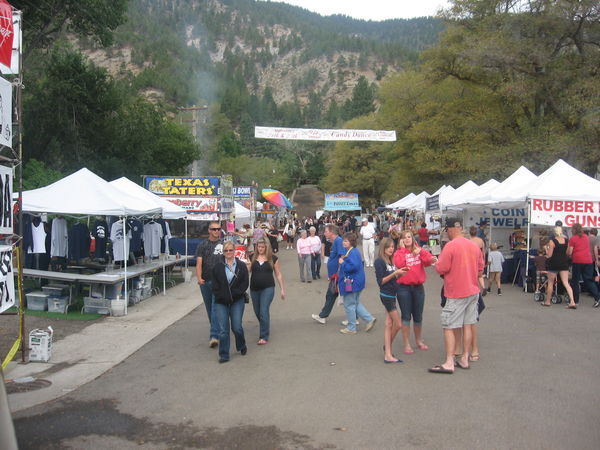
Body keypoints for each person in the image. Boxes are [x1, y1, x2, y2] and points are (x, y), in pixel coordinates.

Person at [429, 219, 484, 374]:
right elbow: (480, 270)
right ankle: (465, 357)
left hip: (456, 292)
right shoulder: (474, 246)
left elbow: (441, 268)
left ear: (451, 229)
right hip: (473, 291)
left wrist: (436, 262)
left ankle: (449, 361)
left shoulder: (450, 246)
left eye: (446, 230)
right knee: (468, 324)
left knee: (448, 326)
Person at [393, 230, 436, 354]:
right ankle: (407, 343)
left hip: (418, 287)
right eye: (404, 237)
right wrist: (402, 249)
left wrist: (420, 252)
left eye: (409, 237)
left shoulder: (418, 250)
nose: (407, 239)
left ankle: (418, 341)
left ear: (412, 238)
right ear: (401, 240)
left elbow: (429, 261)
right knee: (406, 316)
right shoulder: (398, 252)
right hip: (403, 288)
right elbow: (400, 264)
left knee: (418, 316)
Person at [211, 241, 249, 363]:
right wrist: (221, 295)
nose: (228, 252)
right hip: (221, 302)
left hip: (237, 300)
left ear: (234, 251)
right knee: (223, 330)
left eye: (230, 250)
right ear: (223, 252)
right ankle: (224, 355)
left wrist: (235, 294)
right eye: (226, 250)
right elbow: (214, 285)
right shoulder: (217, 267)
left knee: (237, 327)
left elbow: (245, 283)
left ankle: (241, 344)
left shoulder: (241, 266)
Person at [375, 238, 409, 363]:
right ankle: (387, 348)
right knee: (398, 324)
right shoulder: (379, 261)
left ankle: (388, 353)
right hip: (386, 295)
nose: (391, 249)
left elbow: (392, 278)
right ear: (383, 248)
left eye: (392, 247)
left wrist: (399, 273)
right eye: (388, 247)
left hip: (392, 294)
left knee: (389, 324)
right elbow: (381, 281)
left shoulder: (391, 260)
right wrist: (395, 273)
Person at [248, 237, 285, 345]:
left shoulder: (273, 258)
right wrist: (246, 264)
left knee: (263, 310)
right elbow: (247, 271)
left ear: (266, 247)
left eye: (262, 247)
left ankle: (263, 336)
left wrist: (282, 289)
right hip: (254, 289)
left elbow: (278, 274)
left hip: (268, 288)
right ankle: (265, 325)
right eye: (258, 247)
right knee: (258, 312)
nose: (260, 249)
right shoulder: (252, 257)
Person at [338, 232, 376, 334]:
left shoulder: (352, 252)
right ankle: (369, 319)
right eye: (344, 241)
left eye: (346, 241)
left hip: (352, 282)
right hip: (357, 281)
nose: (343, 242)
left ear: (351, 242)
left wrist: (343, 263)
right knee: (355, 303)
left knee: (349, 304)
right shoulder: (353, 251)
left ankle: (351, 327)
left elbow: (352, 267)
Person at [195, 221, 224, 348]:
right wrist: (199, 278)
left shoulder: (224, 244)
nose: (217, 231)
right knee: (209, 309)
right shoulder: (202, 245)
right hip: (205, 281)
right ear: (209, 230)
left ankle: (214, 336)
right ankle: (217, 330)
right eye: (214, 229)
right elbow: (199, 263)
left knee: (215, 308)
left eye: (218, 229)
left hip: (219, 282)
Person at [312, 224, 345, 324]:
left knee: (332, 295)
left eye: (326, 231)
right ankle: (356, 317)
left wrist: (338, 272)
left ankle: (323, 316)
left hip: (337, 275)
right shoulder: (335, 241)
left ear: (332, 232)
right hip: (334, 275)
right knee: (336, 296)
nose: (324, 233)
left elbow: (342, 256)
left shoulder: (338, 241)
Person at [542, 226, 576, 308]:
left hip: (554, 263)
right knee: (566, 283)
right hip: (564, 263)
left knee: (550, 282)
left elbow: (549, 255)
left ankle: (548, 301)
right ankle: (572, 301)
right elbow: (567, 253)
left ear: (554, 233)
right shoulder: (567, 241)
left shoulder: (552, 242)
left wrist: (546, 249)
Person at [567, 223, 600, 307]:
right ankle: (597, 297)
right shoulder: (586, 237)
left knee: (575, 281)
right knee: (588, 280)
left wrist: (567, 253)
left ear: (574, 230)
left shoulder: (573, 238)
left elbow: (570, 252)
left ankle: (575, 300)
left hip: (577, 260)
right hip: (588, 260)